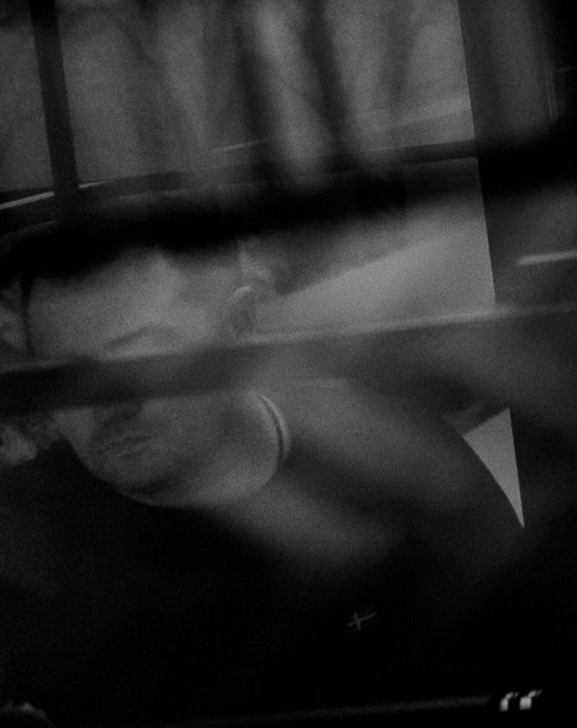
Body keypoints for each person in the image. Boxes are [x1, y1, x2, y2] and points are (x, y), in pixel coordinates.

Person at [0, 204, 532, 725]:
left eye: (141, 361)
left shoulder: (392, 462)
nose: (109, 407)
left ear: (240, 323)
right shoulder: (17, 544)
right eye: (65, 375)